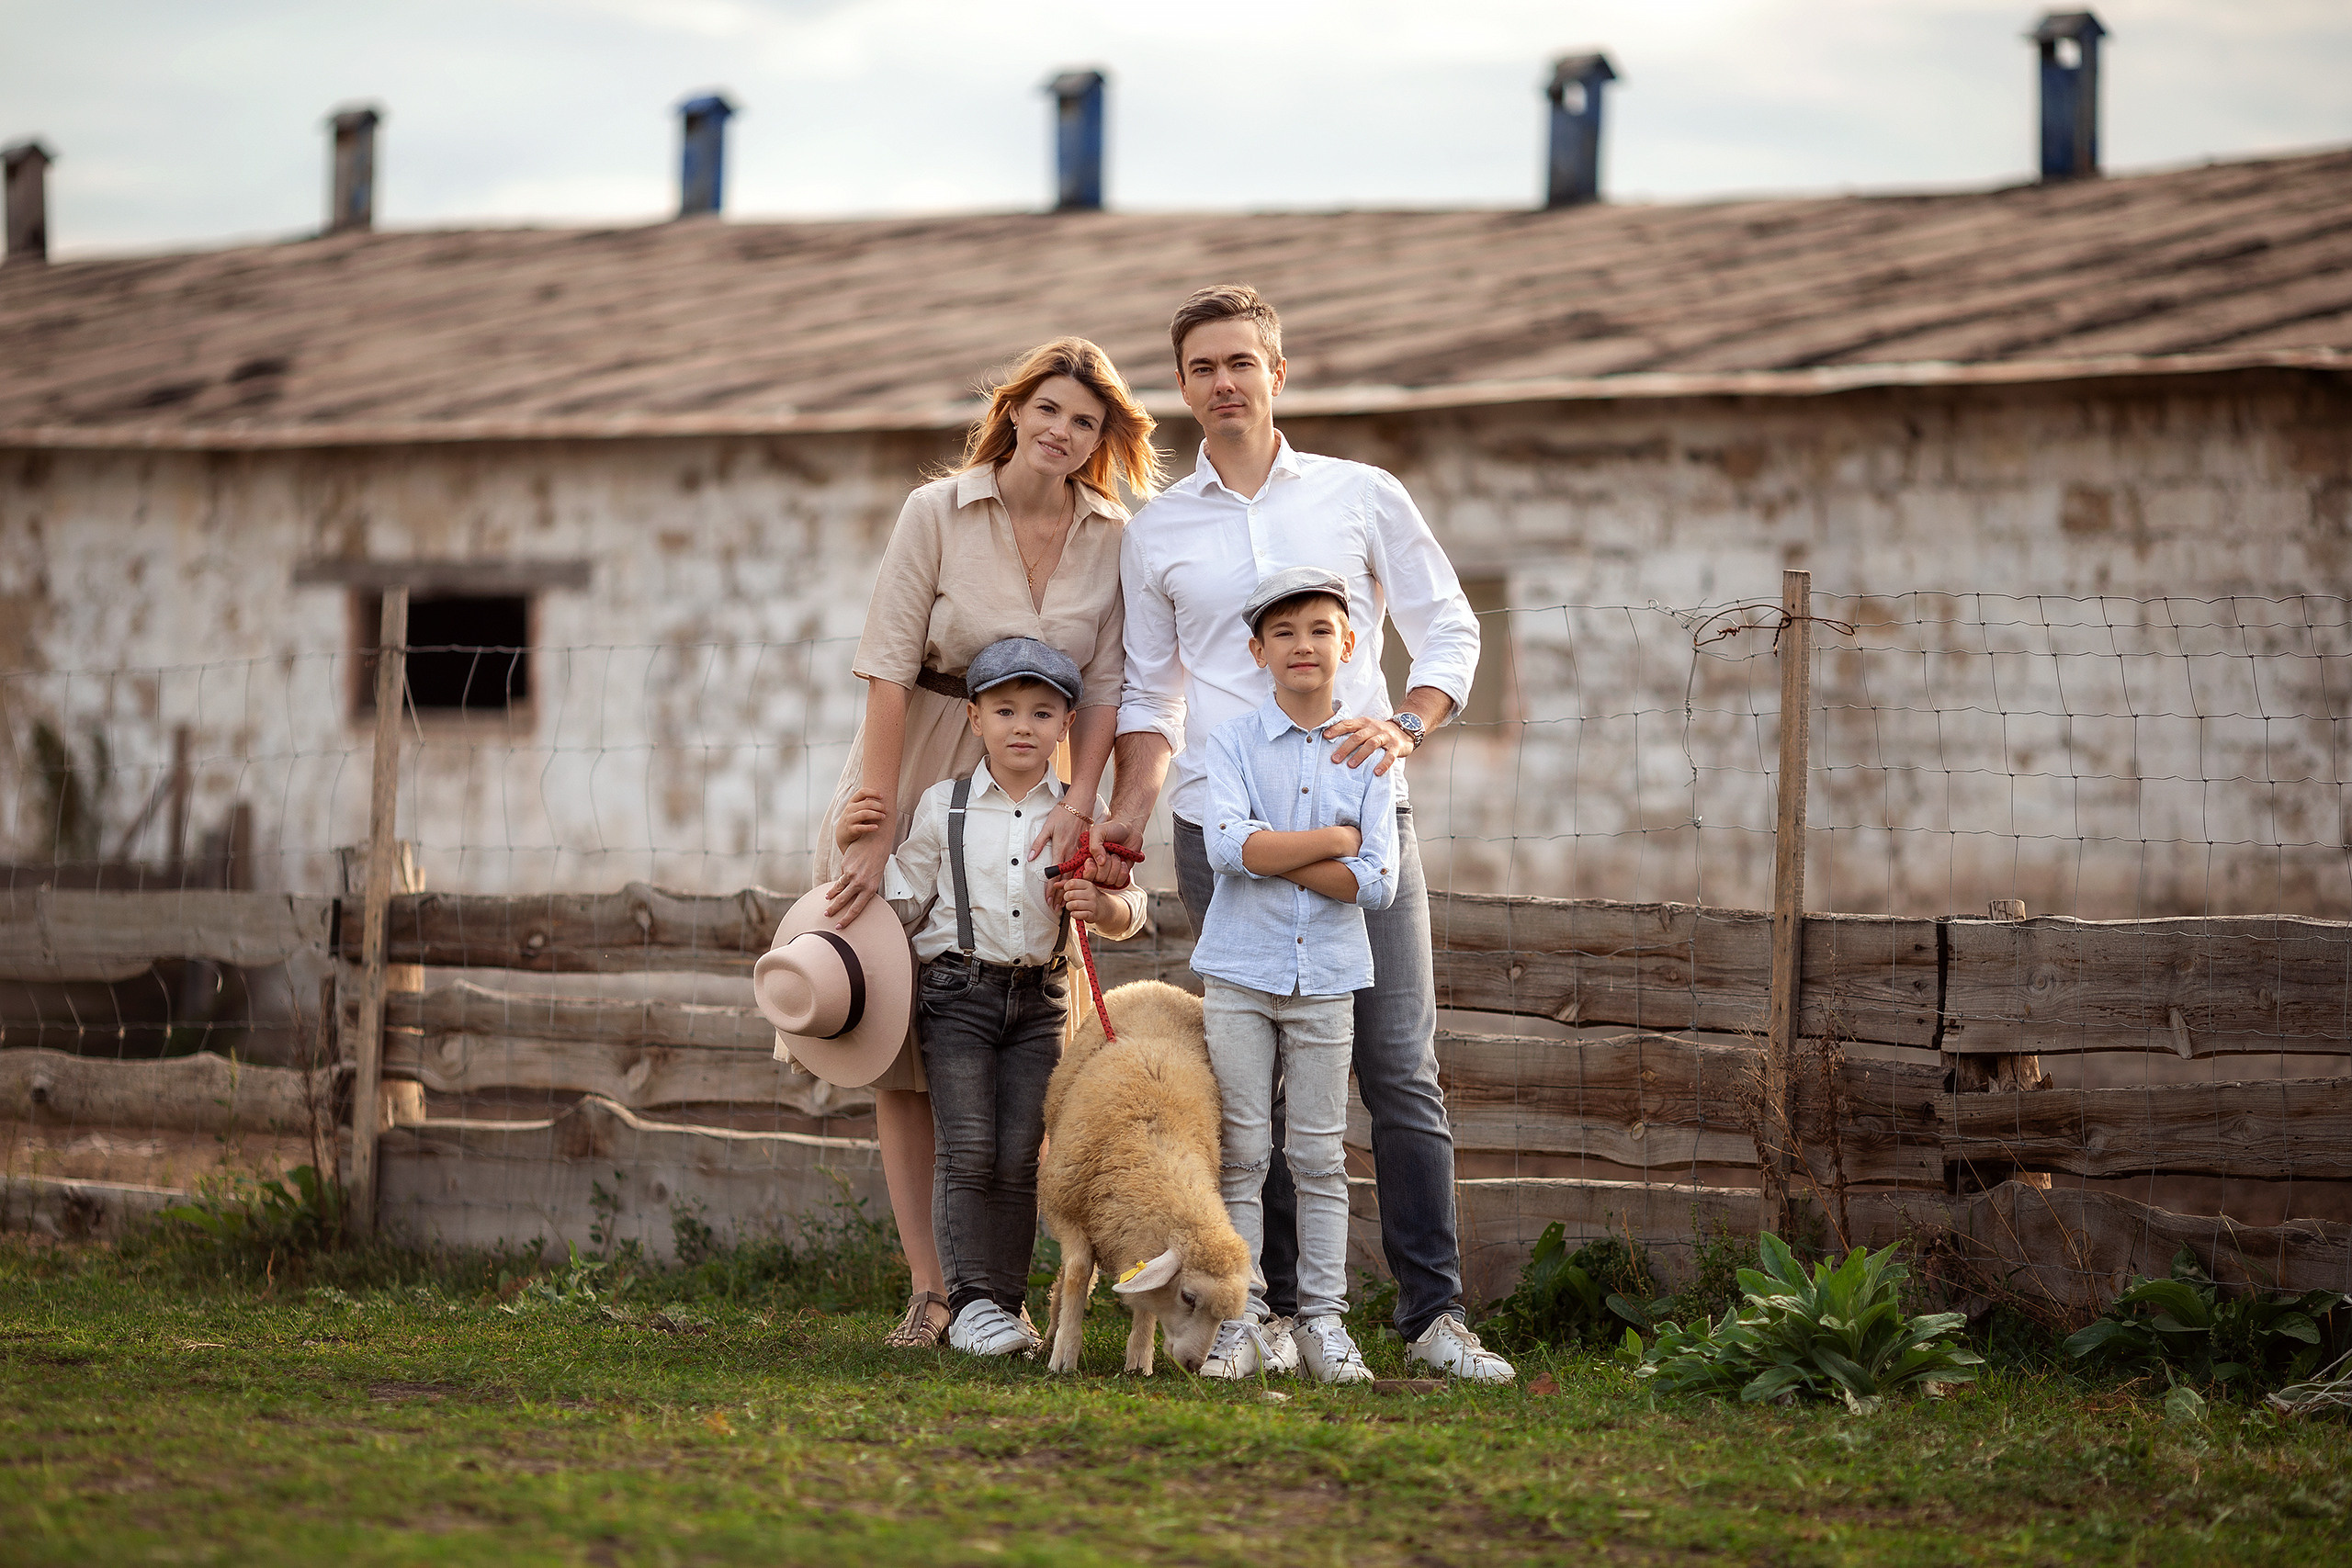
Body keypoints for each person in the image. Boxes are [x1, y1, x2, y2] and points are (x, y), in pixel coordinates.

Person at [1099, 284, 1514, 1382]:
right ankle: (1274, 1316)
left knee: (1398, 1067)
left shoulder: (1358, 494)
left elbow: (1447, 623)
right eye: (1202, 367)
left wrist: (1409, 722)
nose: (1223, 382)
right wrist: (1129, 813)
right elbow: (1148, 692)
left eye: (1241, 362)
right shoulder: (1156, 532)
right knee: (1256, 1089)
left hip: (1352, 822)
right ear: (1180, 386)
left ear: (1277, 374)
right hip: (1223, 834)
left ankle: (1433, 1318)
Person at [812, 337, 1163, 1349]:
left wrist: (1082, 801)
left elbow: (1106, 686)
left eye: (1085, 421)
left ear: (1103, 439)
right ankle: (931, 1290)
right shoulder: (937, 511)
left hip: (1044, 773)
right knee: (902, 1040)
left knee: (1018, 1035)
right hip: (922, 751)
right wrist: (875, 820)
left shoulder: (1113, 535)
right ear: (1013, 411)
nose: (1062, 431)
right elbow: (887, 667)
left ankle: (994, 1290)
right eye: (1047, 409)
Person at [844, 637, 1146, 1357]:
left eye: (1042, 713)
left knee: (1019, 1156)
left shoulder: (1083, 813)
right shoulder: (943, 806)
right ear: (974, 718)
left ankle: (1005, 1307)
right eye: (1005, 710)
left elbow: (1132, 906)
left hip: (1040, 1001)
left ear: (1066, 725)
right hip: (958, 994)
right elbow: (903, 896)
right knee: (970, 1147)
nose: (1022, 726)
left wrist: (1101, 906)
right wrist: (856, 858)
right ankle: (970, 1301)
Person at [1191, 568, 1393, 1384]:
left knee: (1318, 1155)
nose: (1302, 645)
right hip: (1239, 974)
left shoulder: (1372, 753)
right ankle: (1240, 1320)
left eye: (1318, 630)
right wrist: (1335, 842)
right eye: (1283, 632)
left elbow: (1377, 883)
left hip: (1328, 979)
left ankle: (1323, 1322)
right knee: (1242, 1152)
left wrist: (1278, 850)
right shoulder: (1233, 742)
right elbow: (1226, 848)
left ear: (1348, 643)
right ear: (1257, 651)